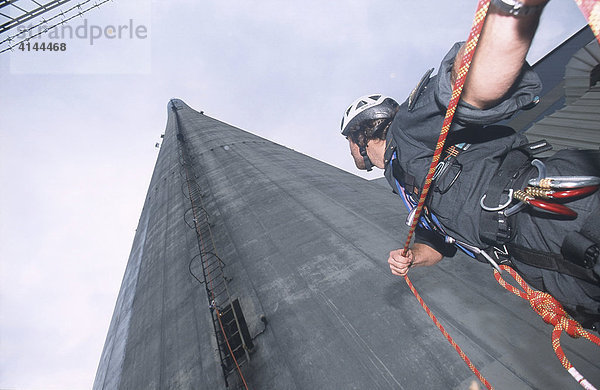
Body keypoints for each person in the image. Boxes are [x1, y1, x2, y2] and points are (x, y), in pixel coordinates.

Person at [341, 0, 600, 331]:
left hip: (550, 211)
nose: (350, 152)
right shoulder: (405, 179)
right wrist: (413, 257)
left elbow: (468, 90)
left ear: (361, 135)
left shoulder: (406, 128)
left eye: (349, 143)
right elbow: (438, 244)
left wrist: (511, 13)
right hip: (535, 258)